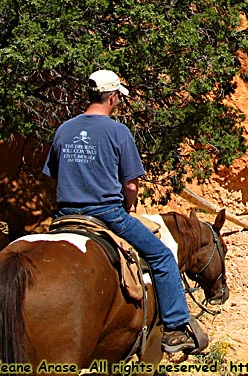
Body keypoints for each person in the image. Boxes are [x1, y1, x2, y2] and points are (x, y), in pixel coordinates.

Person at [43, 69, 202, 355]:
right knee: (162, 256)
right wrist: (128, 205)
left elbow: (53, 174)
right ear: (113, 97)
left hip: (65, 216)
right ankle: (176, 327)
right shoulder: (118, 132)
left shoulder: (64, 129)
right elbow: (130, 184)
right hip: (106, 215)